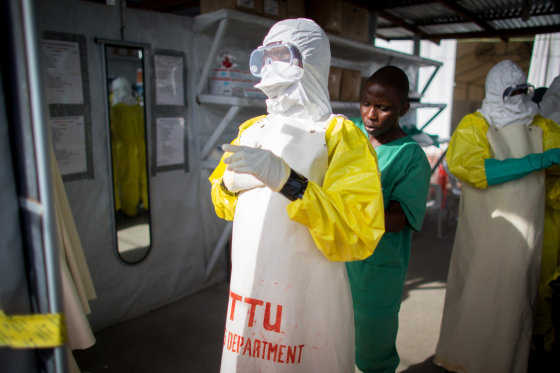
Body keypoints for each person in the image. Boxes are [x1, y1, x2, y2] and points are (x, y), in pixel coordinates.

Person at [209, 19, 385, 372]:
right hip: (250, 289)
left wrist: (289, 182)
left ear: (311, 62)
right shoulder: (251, 129)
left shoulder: (338, 134)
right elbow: (221, 201)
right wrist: (228, 184)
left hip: (307, 291)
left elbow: (358, 229)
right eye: (266, 57)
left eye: (282, 56)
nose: (271, 70)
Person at [434, 60, 560, 373]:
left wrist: (548, 161)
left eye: (522, 91)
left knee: (515, 298)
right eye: (510, 92)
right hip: (485, 228)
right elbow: (473, 169)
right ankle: (464, 360)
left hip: (527, 228)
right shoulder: (476, 125)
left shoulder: (542, 125)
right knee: (477, 293)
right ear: (494, 91)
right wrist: (538, 160)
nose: (518, 98)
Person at [346, 66, 431, 373]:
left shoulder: (410, 156)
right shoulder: (349, 136)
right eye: (366, 103)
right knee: (331, 339)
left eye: (383, 108)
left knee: (373, 353)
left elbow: (402, 218)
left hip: (376, 270)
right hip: (335, 260)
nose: (371, 114)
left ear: (403, 109)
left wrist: (350, 213)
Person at [533, 73, 560, 353]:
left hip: (547, 206)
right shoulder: (545, 123)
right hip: (547, 209)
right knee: (544, 278)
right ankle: (541, 336)